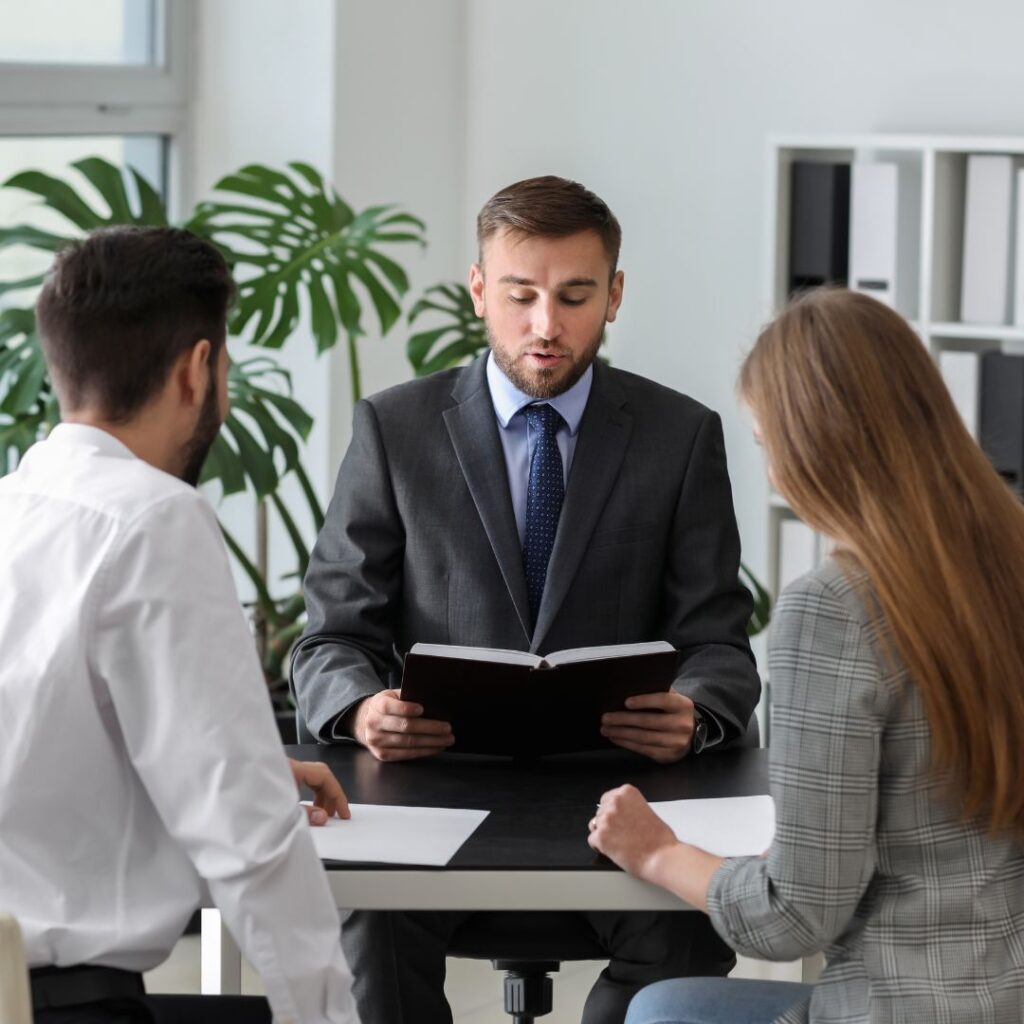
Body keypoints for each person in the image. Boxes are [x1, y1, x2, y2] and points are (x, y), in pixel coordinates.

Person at [291, 175, 761, 1024]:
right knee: (365, 927)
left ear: (614, 296)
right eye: (521, 295)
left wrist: (695, 710)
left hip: (622, 805)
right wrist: (361, 710)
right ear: (479, 291)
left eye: (575, 296)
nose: (547, 326)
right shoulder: (394, 431)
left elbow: (719, 642)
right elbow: (330, 636)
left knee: (691, 933)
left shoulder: (679, 437)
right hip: (432, 800)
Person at [589, 288, 1024, 1024]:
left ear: (813, 445)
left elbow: (796, 916)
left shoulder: (833, 608)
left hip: (898, 1009)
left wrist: (657, 851)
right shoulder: (1007, 560)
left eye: (766, 446)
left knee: (661, 1011)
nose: (772, 474)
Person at [0, 227, 360, 1024]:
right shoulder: (155, 519)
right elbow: (249, 838)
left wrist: (243, 764)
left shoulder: (14, 506)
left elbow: (37, 751)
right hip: (66, 1003)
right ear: (199, 370)